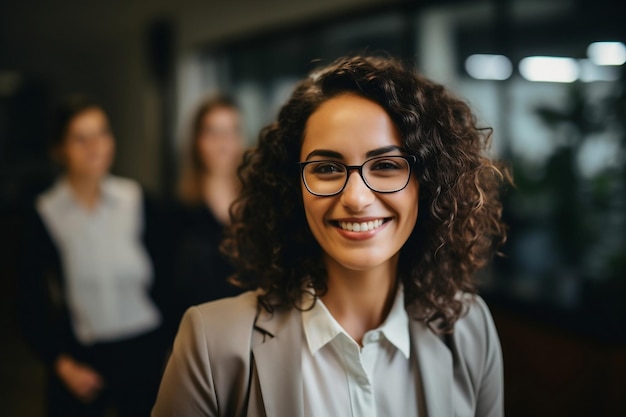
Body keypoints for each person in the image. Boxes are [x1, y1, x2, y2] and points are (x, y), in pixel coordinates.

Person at [152, 55, 510, 417]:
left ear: (428, 182)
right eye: (326, 168)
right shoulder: (211, 343)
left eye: (386, 165)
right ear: (294, 188)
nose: (355, 198)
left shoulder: (468, 328)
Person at [18, 95, 171, 417]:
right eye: (81, 138)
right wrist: (60, 363)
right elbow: (28, 298)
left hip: (144, 348)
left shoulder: (137, 199)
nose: (95, 145)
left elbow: (169, 278)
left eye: (102, 133)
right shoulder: (44, 214)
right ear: (59, 149)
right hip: (81, 357)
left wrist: (172, 346)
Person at [172, 95, 244, 320]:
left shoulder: (261, 207)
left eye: (231, 132)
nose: (223, 143)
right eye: (212, 132)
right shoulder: (177, 214)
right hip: (201, 336)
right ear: (197, 141)